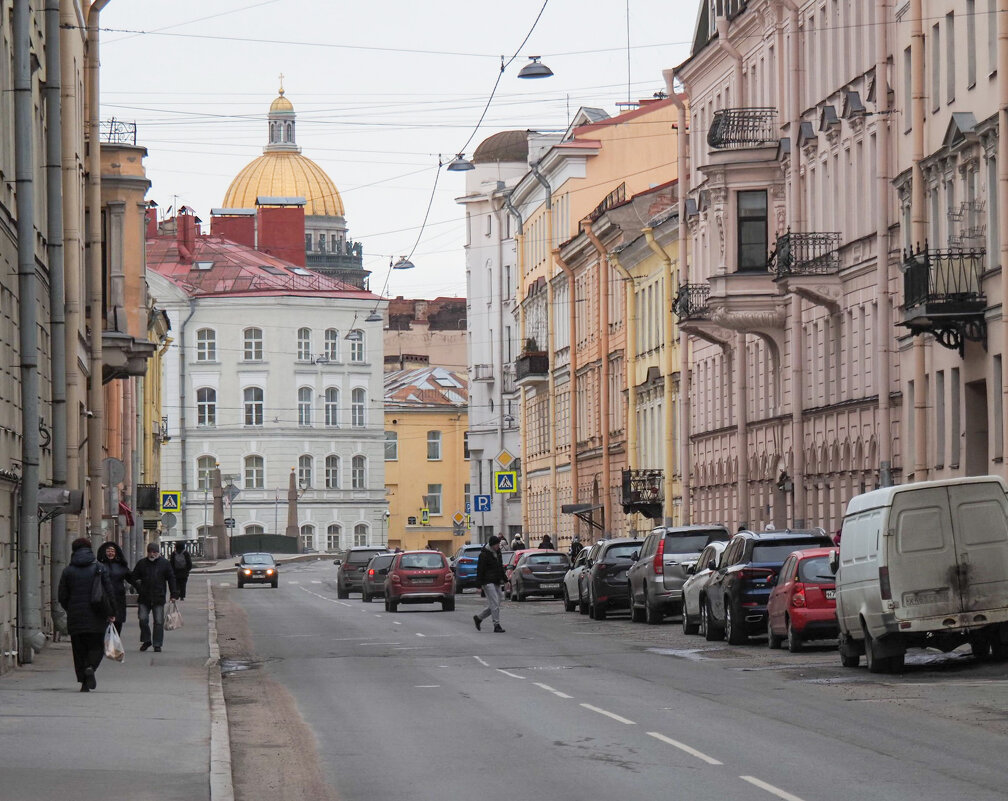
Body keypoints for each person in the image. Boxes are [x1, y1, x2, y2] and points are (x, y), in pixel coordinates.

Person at [58, 538, 116, 692]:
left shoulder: (68, 571)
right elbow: (109, 592)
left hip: (76, 617)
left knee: (79, 650)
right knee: (96, 647)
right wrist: (111, 612)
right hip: (97, 615)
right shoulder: (99, 568)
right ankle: (90, 667)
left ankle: (84, 682)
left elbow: (62, 596)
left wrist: (70, 608)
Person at [131, 542, 179, 652]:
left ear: (158, 552)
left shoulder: (165, 564)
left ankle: (157, 644)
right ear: (147, 552)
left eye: (155, 552)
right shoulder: (142, 563)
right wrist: (138, 586)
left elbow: (171, 578)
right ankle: (146, 640)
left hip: (158, 596)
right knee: (143, 619)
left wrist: (173, 594)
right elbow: (134, 577)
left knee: (158, 621)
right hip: (144, 597)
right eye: (150, 552)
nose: (152, 554)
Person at [97, 540, 137, 635]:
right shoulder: (99, 565)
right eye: (108, 551)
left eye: (112, 551)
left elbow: (131, 578)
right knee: (103, 622)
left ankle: (115, 643)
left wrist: (141, 586)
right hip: (103, 597)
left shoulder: (121, 566)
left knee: (118, 622)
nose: (110, 553)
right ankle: (105, 645)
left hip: (118, 597)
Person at [473, 536, 506, 633]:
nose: (498, 546)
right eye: (496, 544)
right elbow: (480, 570)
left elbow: (500, 567)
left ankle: (479, 618)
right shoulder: (484, 555)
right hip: (487, 582)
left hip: (496, 580)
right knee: (495, 603)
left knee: (498, 602)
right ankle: (496, 625)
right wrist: (478, 585)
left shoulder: (498, 553)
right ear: (492, 545)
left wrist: (505, 580)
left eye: (498, 544)